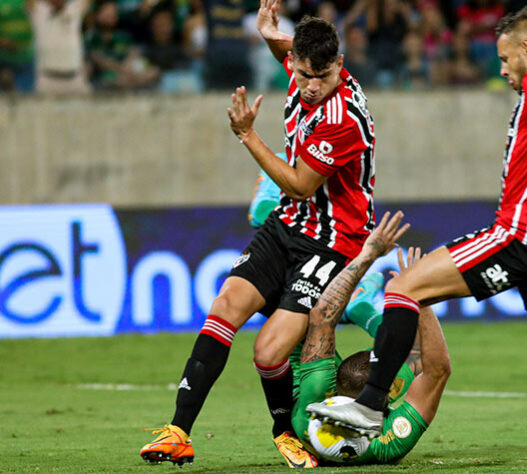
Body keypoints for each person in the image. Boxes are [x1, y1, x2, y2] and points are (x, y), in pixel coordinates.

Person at [309, 7, 527, 467]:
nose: (502, 69)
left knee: (403, 288)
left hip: (521, 233)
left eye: (505, 58)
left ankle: (370, 404)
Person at [140, 4, 377, 466]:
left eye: (323, 77)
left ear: (340, 66)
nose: (312, 86)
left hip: (333, 241)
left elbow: (299, 183)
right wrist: (270, 33)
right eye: (305, 74)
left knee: (268, 351)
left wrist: (248, 136)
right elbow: (289, 51)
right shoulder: (302, 68)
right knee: (225, 306)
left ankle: (285, 431)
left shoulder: (342, 117)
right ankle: (178, 431)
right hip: (289, 224)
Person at [301, 244, 450, 465]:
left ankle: (354, 309)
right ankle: (362, 311)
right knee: (416, 351)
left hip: (305, 369)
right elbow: (438, 369)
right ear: (388, 390)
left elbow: (316, 320)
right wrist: (420, 295)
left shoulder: (309, 404)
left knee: (302, 327)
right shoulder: (386, 446)